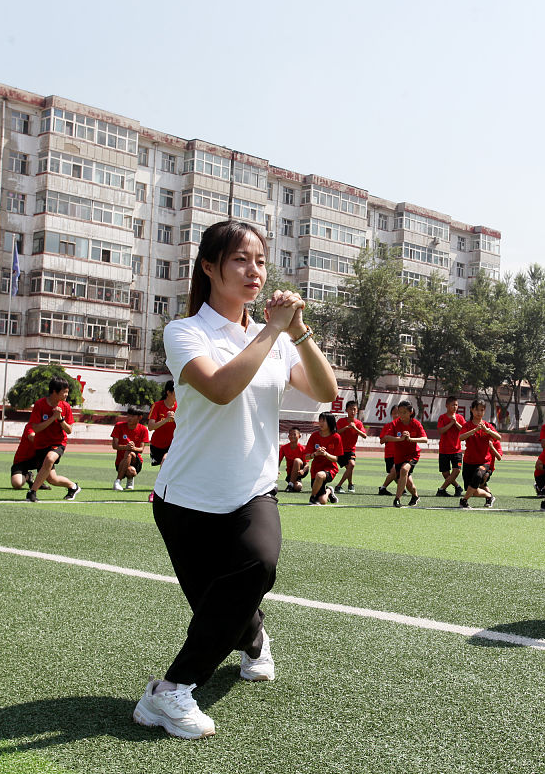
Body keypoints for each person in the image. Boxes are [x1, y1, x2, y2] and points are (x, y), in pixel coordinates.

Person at [133, 220, 337, 740]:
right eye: (241, 260)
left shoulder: (278, 340)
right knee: (223, 609)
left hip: (253, 490)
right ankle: (255, 639)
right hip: (186, 500)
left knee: (258, 567)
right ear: (209, 266)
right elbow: (221, 388)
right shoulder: (185, 333)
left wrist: (298, 334)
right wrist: (269, 331)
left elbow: (325, 390)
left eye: (261, 261)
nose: (254, 271)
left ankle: (170, 692)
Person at [25, 376, 81, 503]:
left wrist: (60, 418)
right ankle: (73, 486)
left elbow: (69, 430)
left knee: (50, 458)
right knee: (52, 479)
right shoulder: (40, 405)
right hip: (41, 445)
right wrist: (52, 418)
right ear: (54, 392)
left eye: (67, 391)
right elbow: (36, 428)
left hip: (58, 443)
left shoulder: (66, 407)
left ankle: (32, 492)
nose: (67, 394)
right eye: (64, 392)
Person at [381, 401, 428, 507]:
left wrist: (410, 439)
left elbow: (425, 439)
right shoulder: (395, 423)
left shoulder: (416, 424)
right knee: (408, 483)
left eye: (404, 412)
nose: (401, 415)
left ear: (411, 412)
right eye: (400, 412)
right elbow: (386, 437)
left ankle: (397, 499)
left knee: (404, 470)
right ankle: (415, 496)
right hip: (399, 456)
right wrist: (400, 439)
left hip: (413, 455)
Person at [458, 400, 501, 509]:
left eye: (482, 410)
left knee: (478, 475)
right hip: (468, 461)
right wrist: (474, 430)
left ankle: (464, 501)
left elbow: (498, 437)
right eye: (477, 409)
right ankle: (489, 496)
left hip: (483, 462)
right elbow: (461, 437)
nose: (479, 412)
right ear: (472, 410)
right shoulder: (467, 425)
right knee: (471, 490)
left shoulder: (487, 425)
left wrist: (488, 431)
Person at [306, 412, 343, 505]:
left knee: (320, 475)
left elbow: (336, 459)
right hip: (316, 468)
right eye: (320, 420)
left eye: (324, 421)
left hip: (330, 469)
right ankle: (329, 490)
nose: (321, 423)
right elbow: (306, 456)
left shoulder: (336, 437)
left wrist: (325, 454)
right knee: (323, 501)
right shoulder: (314, 436)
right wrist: (315, 454)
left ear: (330, 422)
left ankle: (312, 498)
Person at [113, 406, 150, 491]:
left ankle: (117, 481)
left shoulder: (143, 429)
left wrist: (132, 448)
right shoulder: (119, 426)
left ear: (139, 417)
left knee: (130, 453)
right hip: (120, 462)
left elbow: (141, 449)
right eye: (128, 415)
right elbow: (114, 446)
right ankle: (130, 479)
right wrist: (126, 447)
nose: (129, 418)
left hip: (136, 461)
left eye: (132, 416)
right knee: (131, 471)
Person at [333, 401, 366, 494]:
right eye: (350, 409)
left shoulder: (358, 423)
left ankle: (339, 486)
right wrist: (347, 427)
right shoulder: (341, 421)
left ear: (357, 411)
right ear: (346, 410)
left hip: (350, 450)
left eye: (354, 409)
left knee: (351, 465)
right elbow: (336, 433)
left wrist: (355, 428)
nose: (352, 411)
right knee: (349, 467)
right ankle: (350, 484)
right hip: (340, 450)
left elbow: (364, 435)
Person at [435, 396, 465, 497]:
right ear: (447, 406)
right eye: (453, 405)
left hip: (456, 449)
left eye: (456, 405)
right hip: (444, 449)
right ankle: (457, 487)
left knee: (457, 470)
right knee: (445, 473)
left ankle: (442, 489)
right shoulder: (442, 418)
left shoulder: (460, 418)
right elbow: (440, 431)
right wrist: (451, 423)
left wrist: (455, 422)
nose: (455, 407)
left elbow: (464, 430)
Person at [148, 380, 177, 467]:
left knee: (165, 461)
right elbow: (150, 427)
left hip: (173, 444)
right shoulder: (157, 406)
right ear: (168, 392)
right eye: (176, 391)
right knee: (163, 465)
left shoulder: (180, 406)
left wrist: (176, 419)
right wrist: (166, 420)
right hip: (157, 444)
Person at [10, 422, 47, 490]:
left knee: (51, 477)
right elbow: (32, 438)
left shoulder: (51, 427)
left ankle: (39, 481)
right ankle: (28, 476)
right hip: (22, 460)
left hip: (39, 459)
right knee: (17, 483)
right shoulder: (30, 426)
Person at [279, 428, 308, 492]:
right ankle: (292, 483)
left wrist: (303, 470)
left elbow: (307, 465)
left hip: (300, 472)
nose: (292, 436)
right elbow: (278, 461)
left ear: (299, 436)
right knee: (298, 487)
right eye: (290, 434)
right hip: (290, 472)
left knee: (297, 460)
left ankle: (290, 485)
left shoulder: (303, 449)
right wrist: (276, 470)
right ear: (288, 436)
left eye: (294, 434)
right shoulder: (284, 448)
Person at [377, 414, 399, 496]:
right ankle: (384, 488)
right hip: (389, 454)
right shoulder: (388, 426)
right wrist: (387, 437)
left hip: (400, 454)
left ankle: (383, 488)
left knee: (396, 471)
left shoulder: (404, 426)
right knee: (394, 473)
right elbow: (382, 440)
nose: (397, 415)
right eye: (395, 413)